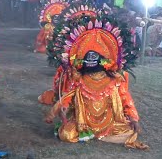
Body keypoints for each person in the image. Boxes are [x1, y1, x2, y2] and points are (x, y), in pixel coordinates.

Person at [44, 14, 149, 150]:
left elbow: (126, 99)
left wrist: (134, 118)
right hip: (82, 123)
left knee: (129, 130)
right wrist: (61, 109)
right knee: (66, 135)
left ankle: (96, 133)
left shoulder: (115, 80)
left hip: (110, 123)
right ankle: (88, 132)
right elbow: (67, 97)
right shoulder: (79, 79)